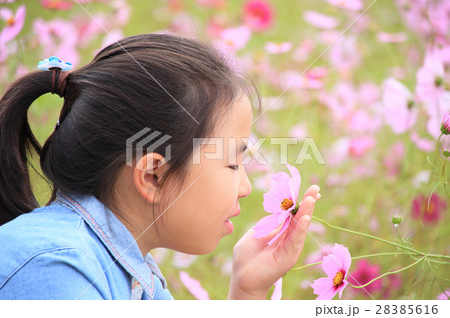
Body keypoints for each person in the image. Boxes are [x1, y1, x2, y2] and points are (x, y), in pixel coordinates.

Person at [0, 33, 319, 300]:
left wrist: (247, 291)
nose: (247, 188)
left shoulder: (137, 273)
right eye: (233, 164)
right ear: (152, 176)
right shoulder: (57, 271)